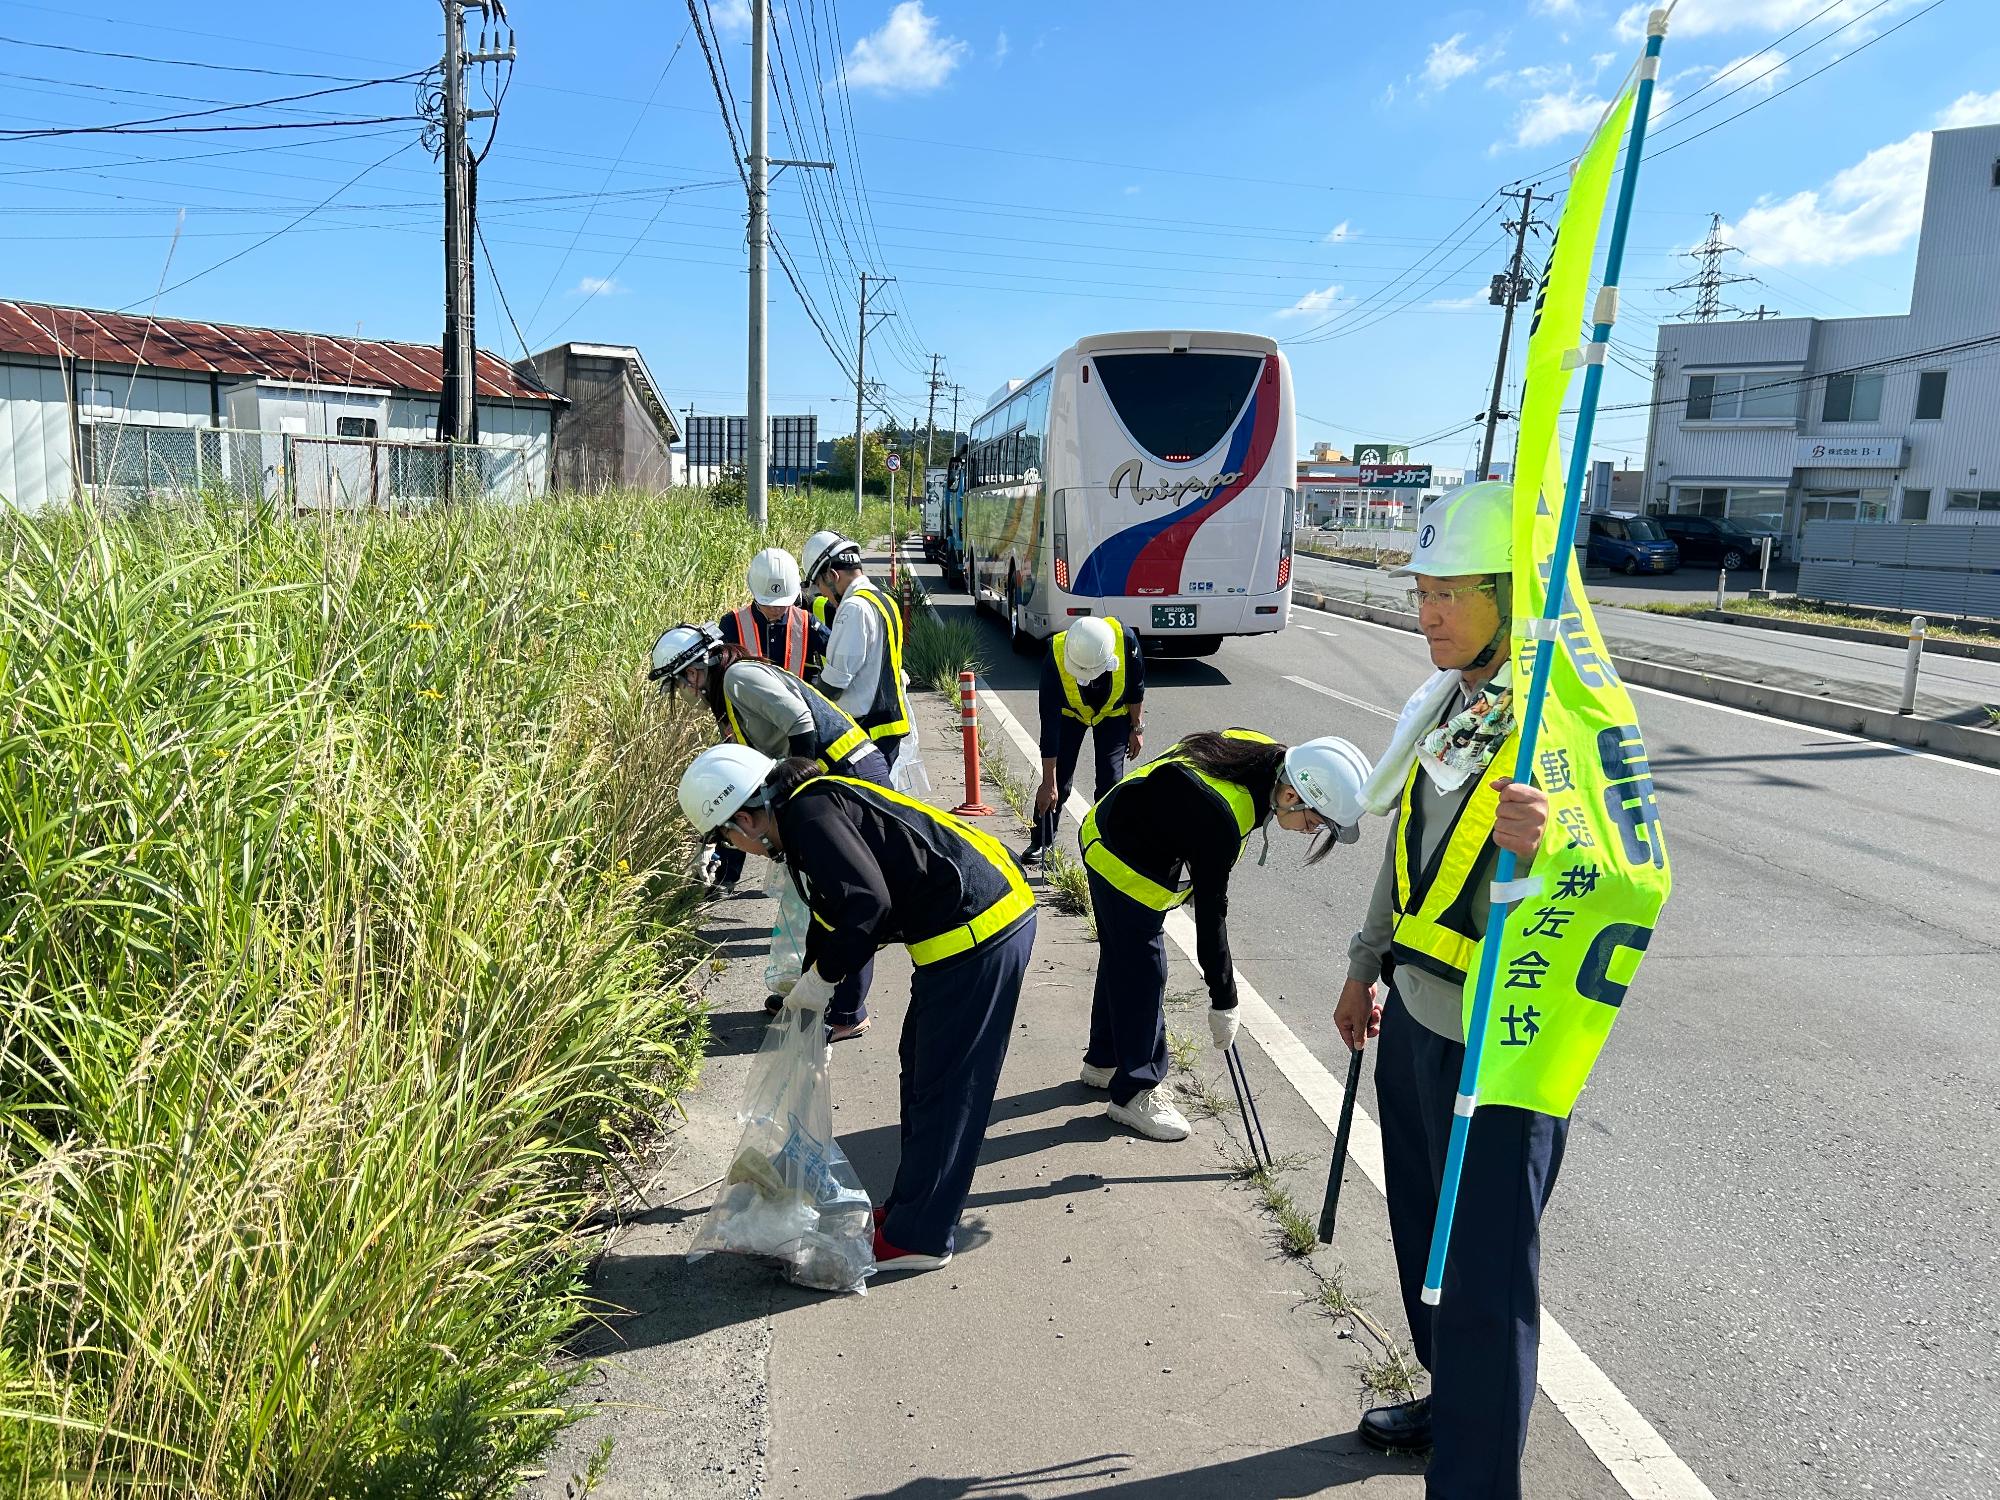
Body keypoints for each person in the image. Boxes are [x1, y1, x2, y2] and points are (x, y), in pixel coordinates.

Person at [1331, 480, 1557, 1496]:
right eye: (1418, 589)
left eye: (1447, 593)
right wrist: (1360, 961)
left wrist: (1553, 842)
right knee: (1424, 1240)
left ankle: (1473, 1480)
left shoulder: (1561, 717)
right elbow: (1406, 849)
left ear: (1508, 595)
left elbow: (1630, 873)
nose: (1422, 612)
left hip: (1498, 1047)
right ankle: (1448, 1402)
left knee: (1483, 1281)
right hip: (1417, 1017)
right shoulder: (1454, 704)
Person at [677, 744, 1037, 1272]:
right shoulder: (805, 815)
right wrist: (809, 996)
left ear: (747, 819)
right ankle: (911, 1209)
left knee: (946, 1091)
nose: (733, 846)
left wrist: (822, 984)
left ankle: (922, 1237)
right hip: (960, 936)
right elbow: (832, 914)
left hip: (981, 934)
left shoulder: (811, 816)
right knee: (920, 1078)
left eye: (725, 835)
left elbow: (868, 906)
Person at [1078, 729, 1372, 1141]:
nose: (1310, 832)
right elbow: (1211, 917)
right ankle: (1136, 1092)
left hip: (1118, 819)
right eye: (1314, 823)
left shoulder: (1258, 752)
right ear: (1291, 795)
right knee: (1144, 970)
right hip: (1120, 856)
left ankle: (1104, 1060)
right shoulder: (1222, 814)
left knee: (1121, 956)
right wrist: (1224, 999)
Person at [650, 622, 887, 1040]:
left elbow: (800, 723)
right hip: (834, 776)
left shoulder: (739, 677)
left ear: (694, 670)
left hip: (847, 773)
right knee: (821, 897)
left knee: (847, 896)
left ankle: (848, 1011)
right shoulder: (727, 691)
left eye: (679, 682)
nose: (684, 692)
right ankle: (815, 995)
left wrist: (799, 787)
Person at [1024, 614, 1145, 867]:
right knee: (1059, 782)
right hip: (1071, 715)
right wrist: (1049, 782)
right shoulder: (1055, 657)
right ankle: (1043, 839)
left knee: (1110, 783)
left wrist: (1136, 728)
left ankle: (1107, 846)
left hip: (1112, 715)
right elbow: (1049, 722)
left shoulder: (1127, 641)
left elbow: (1136, 688)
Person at [801, 531, 912, 770]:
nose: (825, 596)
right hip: (887, 724)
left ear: (832, 575)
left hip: (866, 731)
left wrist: (803, 703)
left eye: (820, 585)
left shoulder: (854, 608)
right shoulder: (883, 600)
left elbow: (835, 681)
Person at [718, 547, 828, 682]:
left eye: (782, 604)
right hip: (749, 702)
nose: (775, 610)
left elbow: (839, 656)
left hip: (797, 700)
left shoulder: (806, 622)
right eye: (768, 604)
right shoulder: (732, 623)